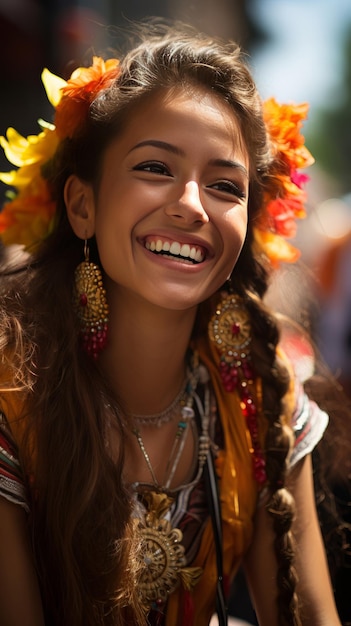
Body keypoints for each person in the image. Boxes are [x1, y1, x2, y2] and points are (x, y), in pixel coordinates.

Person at [0, 22, 343, 626]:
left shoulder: (261, 399)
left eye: (224, 185)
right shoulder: (10, 395)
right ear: (83, 205)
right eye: (155, 167)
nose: (191, 203)